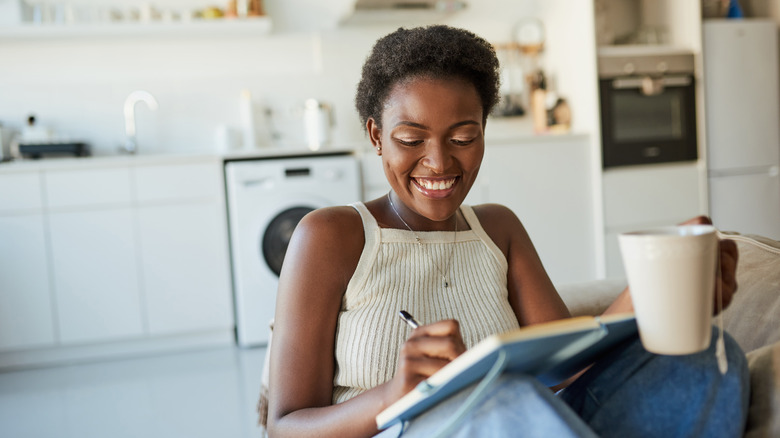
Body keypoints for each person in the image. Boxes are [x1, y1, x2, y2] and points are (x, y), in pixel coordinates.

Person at [266, 25, 749, 438]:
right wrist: (395, 394)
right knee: (500, 398)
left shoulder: (498, 227)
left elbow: (571, 368)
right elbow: (283, 426)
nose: (438, 162)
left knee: (708, 351)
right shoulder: (331, 236)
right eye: (411, 139)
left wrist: (659, 293)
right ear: (375, 135)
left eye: (463, 138)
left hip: (529, 421)